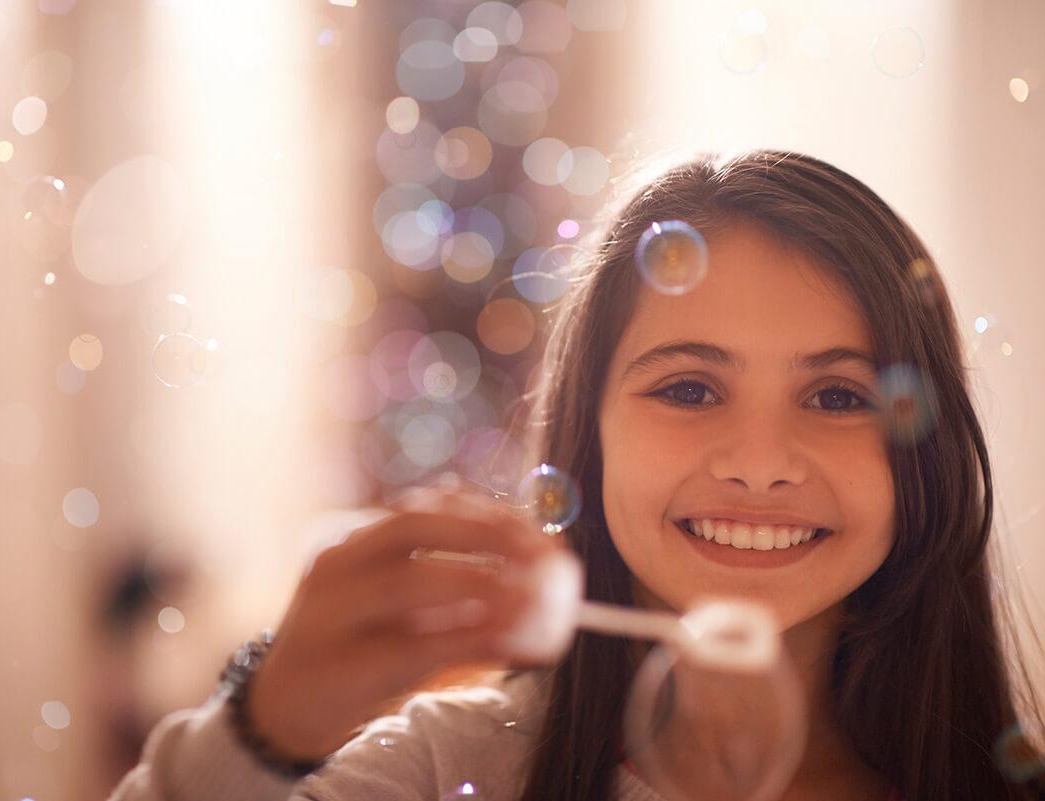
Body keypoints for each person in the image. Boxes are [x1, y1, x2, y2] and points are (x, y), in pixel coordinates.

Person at [108, 150, 1044, 801]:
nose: (760, 465)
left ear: (921, 454)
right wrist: (257, 732)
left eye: (840, 397)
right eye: (688, 387)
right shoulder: (442, 772)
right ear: (587, 440)